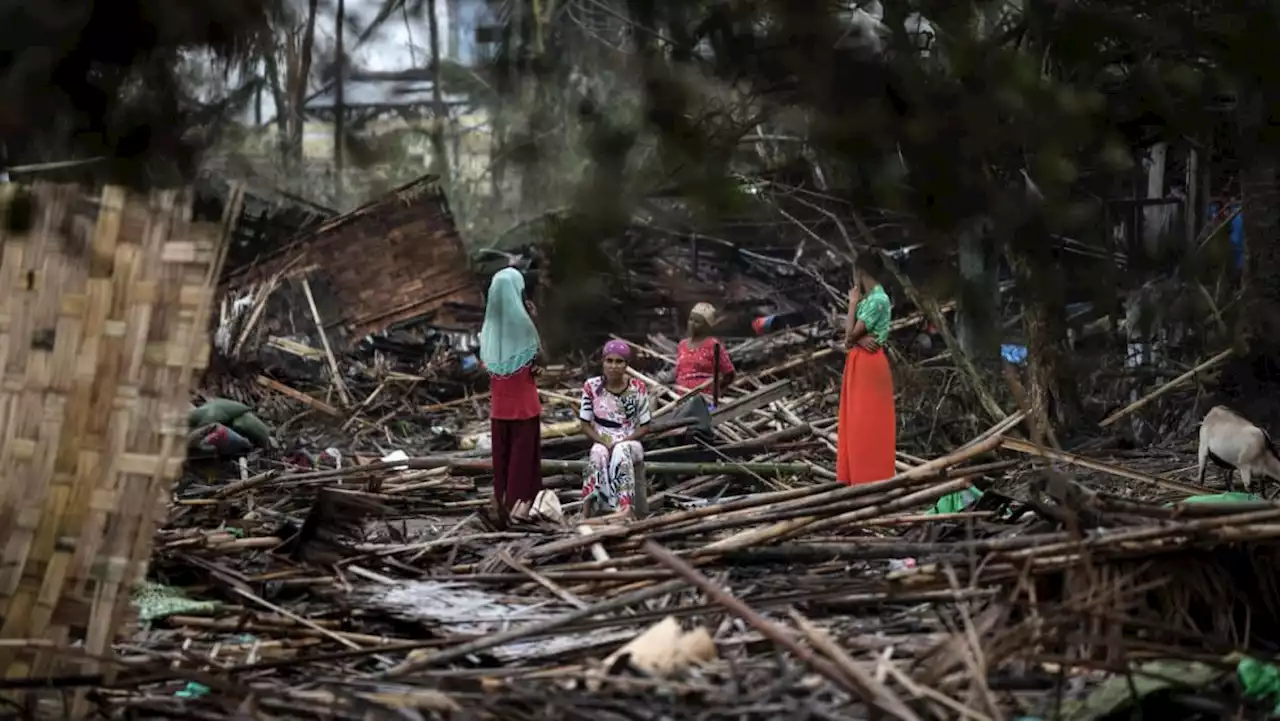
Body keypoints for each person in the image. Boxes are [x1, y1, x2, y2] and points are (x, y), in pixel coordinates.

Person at [479, 267, 544, 519]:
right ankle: (519, 509)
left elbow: (486, 368)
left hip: (499, 409)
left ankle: (501, 505)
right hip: (525, 407)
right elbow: (540, 359)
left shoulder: (488, 331)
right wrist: (534, 320)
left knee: (502, 462)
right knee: (523, 464)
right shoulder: (525, 326)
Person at [837, 251, 896, 485]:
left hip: (869, 365)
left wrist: (852, 304)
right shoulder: (869, 299)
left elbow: (849, 334)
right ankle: (854, 476)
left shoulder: (877, 300)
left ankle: (871, 477)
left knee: (868, 423)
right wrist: (857, 339)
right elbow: (850, 339)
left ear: (861, 272)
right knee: (855, 420)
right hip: (859, 360)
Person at [579, 340, 652, 516]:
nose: (613, 366)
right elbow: (584, 424)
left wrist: (624, 440)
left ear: (627, 365)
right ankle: (589, 509)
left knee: (621, 450)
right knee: (597, 452)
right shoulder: (592, 387)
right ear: (603, 362)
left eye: (619, 361)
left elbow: (645, 426)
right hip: (602, 438)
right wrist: (603, 441)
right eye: (609, 361)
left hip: (630, 441)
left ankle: (625, 508)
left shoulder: (638, 388)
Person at [674, 302, 736, 407]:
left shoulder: (713, 344)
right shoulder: (682, 345)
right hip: (681, 400)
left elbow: (729, 373)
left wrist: (717, 391)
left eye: (697, 322)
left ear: (707, 326)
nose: (692, 324)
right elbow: (679, 372)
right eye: (691, 319)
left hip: (704, 400)